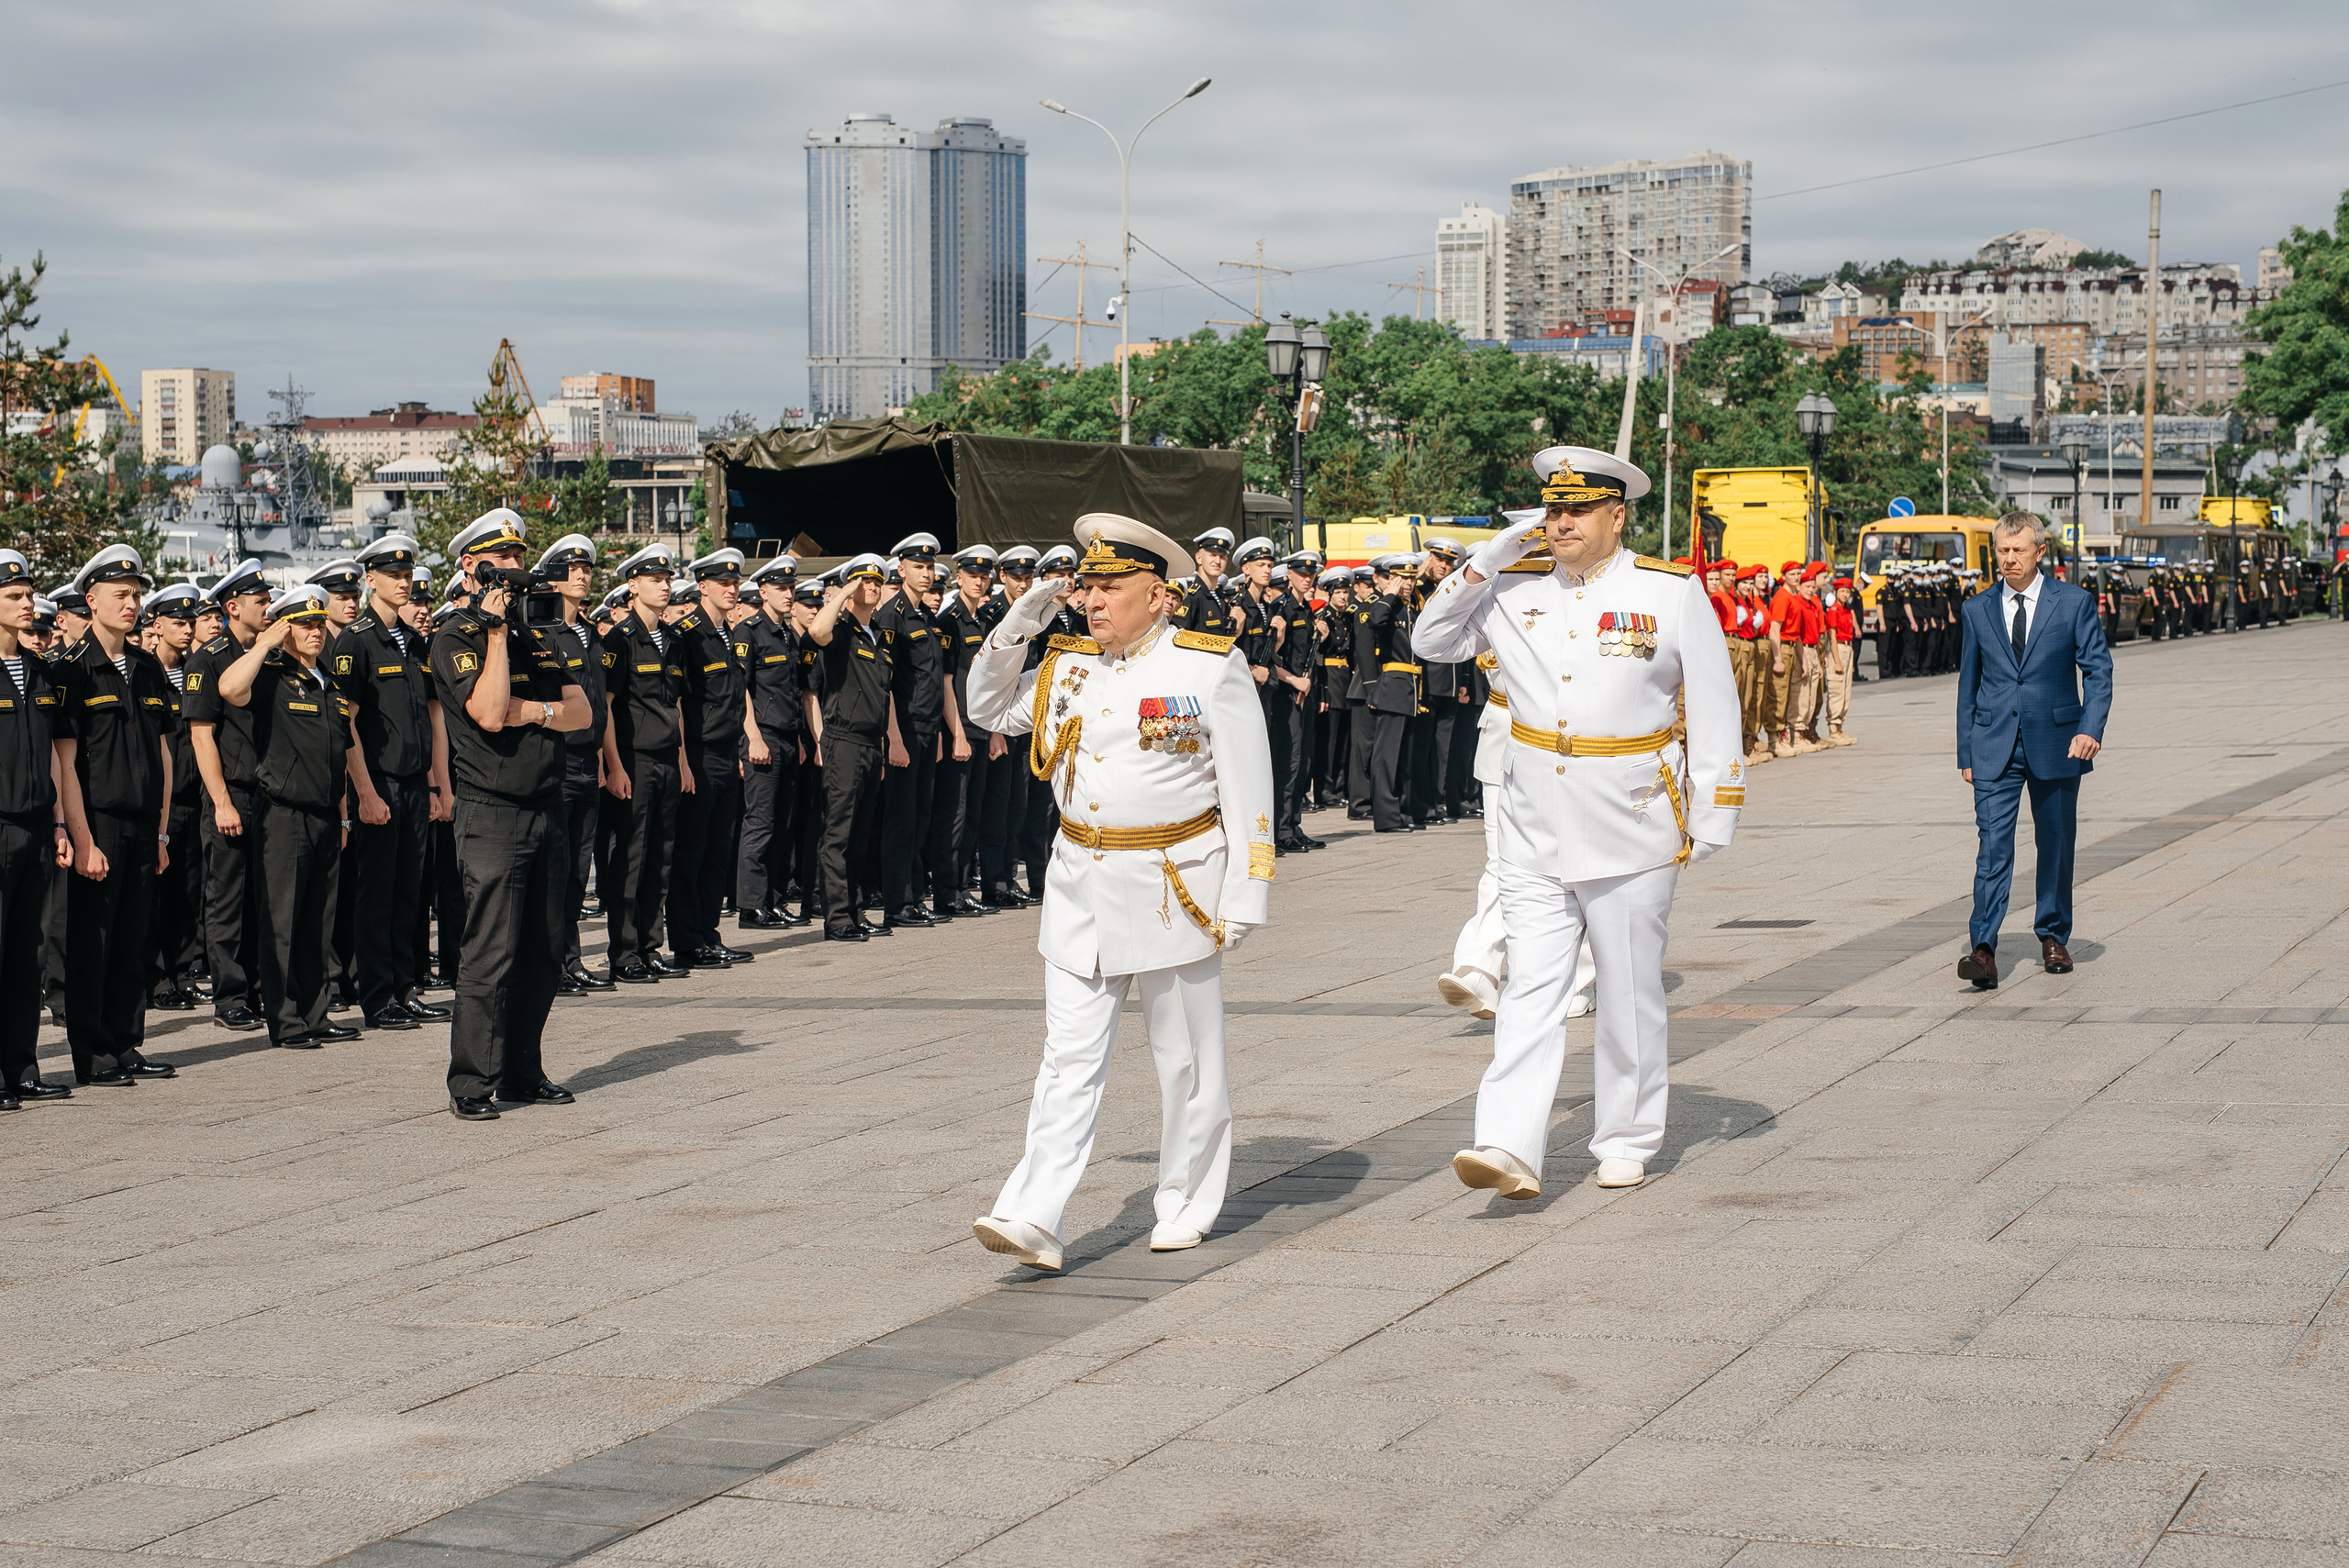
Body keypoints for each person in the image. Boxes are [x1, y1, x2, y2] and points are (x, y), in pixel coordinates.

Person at [1414, 446, 1742, 1195]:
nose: (1559, 521)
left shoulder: (1668, 590)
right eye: (1550, 509)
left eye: (1577, 509)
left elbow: (1716, 703)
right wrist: (1489, 557)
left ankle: (1626, 1134)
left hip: (1632, 812)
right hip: (1535, 816)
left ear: (1616, 515)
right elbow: (1431, 642)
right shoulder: (1512, 590)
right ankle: (1507, 1142)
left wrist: (1714, 808)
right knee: (1533, 983)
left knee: (1628, 987)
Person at [966, 512, 1275, 1270]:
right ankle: (1034, 1211)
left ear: (1159, 595)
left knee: (1188, 1059)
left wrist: (1247, 891)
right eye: (1089, 588)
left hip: (1176, 882)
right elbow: (988, 707)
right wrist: (1029, 612)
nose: (1094, 602)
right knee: (1067, 1058)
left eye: (1112, 588)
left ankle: (1187, 1199)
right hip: (1081, 884)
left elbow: (1247, 788)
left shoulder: (1208, 667)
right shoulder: (1069, 664)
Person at [429, 510, 592, 1119]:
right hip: (492, 812)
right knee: (490, 952)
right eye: (503, 561)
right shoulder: (456, 637)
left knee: (543, 950)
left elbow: (581, 714)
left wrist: (536, 711)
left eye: (521, 558)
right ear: (472, 567)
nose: (516, 571)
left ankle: (524, 1071)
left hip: (546, 805)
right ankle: (473, 1081)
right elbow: (492, 713)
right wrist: (496, 633)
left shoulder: (540, 636)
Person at [1955, 512, 2112, 989]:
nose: (2008, 559)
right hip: (1993, 745)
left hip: (2060, 744)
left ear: (2039, 552)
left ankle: (2053, 935)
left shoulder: (2073, 603)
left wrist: (2091, 729)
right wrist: (1966, 752)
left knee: (2056, 845)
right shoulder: (1977, 609)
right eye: (2002, 550)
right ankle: (1982, 948)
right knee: (1993, 849)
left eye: (2018, 550)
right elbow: (1969, 684)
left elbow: (2099, 672)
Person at [50, 545, 182, 1088]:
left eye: (136, 595)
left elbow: (163, 754)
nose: (132, 604)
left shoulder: (149, 668)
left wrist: (160, 830)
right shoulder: (72, 671)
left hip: (142, 821)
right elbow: (67, 763)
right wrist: (82, 839)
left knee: (133, 940)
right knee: (93, 942)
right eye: (120, 595)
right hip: (97, 822)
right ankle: (93, 1051)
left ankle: (127, 1043)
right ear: (92, 599)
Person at [215, 585, 362, 1048]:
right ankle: (285, 1020)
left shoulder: (331, 685)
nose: (316, 632)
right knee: (282, 921)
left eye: (320, 624)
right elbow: (229, 689)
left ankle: (316, 1014)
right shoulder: (271, 676)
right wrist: (263, 645)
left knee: (318, 922)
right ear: (285, 629)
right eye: (304, 625)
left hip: (324, 814)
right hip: (282, 814)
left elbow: (338, 755)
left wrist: (341, 815)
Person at [333, 533, 455, 1029]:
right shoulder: (356, 640)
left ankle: (406, 986)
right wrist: (363, 791)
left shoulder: (417, 643)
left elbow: (430, 720)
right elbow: (347, 724)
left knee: (410, 894)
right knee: (376, 894)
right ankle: (377, 994)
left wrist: (436, 785)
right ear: (371, 581)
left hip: (412, 783)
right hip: (377, 783)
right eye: (394, 576)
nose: (405, 583)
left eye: (408, 575)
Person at [183, 559, 274, 1031]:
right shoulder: (208, 658)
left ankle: (260, 990)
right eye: (260, 602)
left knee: (262, 900)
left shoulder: (266, 654)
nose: (268, 607)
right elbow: (202, 736)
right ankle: (231, 997)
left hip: (268, 792)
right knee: (227, 899)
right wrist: (219, 801)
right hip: (232, 793)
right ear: (232, 607)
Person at [600, 542, 694, 981]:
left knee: (661, 855)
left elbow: (674, 706)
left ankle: (651, 948)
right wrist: (613, 765)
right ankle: (623, 953)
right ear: (632, 586)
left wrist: (684, 762)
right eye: (655, 580)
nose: (664, 586)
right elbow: (606, 705)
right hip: (634, 760)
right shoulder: (620, 639)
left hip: (667, 760)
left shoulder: (672, 641)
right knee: (631, 858)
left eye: (667, 579)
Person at [0, 552, 72, 1108]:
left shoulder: (41, 671)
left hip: (35, 828)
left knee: (27, 953)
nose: (28, 605)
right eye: (15, 596)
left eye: (29, 595)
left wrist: (58, 824)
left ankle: (22, 1067)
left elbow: (52, 757)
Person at [530, 533, 613, 992]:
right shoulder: (544, 633)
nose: (582, 575)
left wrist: (605, 757)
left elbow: (600, 703)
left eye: (586, 569)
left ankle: (572, 959)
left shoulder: (590, 632)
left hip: (588, 759)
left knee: (579, 869)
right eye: (572, 569)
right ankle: (553, 963)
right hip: (558, 759)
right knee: (556, 868)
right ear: (554, 578)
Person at [669, 549, 755, 968]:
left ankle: (708, 933)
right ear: (702, 586)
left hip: (725, 753)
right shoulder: (688, 634)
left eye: (735, 583)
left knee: (718, 851)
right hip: (699, 755)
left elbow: (734, 700)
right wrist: (683, 760)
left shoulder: (730, 633)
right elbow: (680, 704)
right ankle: (687, 940)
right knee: (693, 852)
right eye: (723, 583)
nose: (731, 589)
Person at [873, 532, 961, 929]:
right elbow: (885, 682)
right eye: (919, 567)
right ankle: (897, 902)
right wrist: (892, 735)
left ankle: (913, 895)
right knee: (900, 818)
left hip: (927, 730)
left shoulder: (926, 617)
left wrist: (941, 732)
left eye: (930, 568)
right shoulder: (890, 616)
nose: (926, 574)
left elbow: (933, 682)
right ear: (901, 569)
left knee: (920, 816)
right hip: (903, 729)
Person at [807, 554, 893, 940]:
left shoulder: (878, 636)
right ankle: (837, 917)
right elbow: (817, 632)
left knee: (861, 833)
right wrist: (842, 593)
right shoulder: (840, 630)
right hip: (842, 740)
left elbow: (884, 696)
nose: (871, 587)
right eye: (863, 581)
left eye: (877, 582)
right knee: (838, 832)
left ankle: (855, 911)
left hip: (871, 744)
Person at [738, 555, 811, 929]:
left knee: (783, 825)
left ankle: (776, 900)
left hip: (787, 737)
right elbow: (743, 690)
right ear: (762, 590)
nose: (788, 594)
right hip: (763, 737)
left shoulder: (787, 635)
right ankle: (751, 906)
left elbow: (793, 692)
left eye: (791, 588)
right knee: (761, 823)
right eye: (781, 588)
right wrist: (752, 737)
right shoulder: (749, 632)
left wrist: (798, 737)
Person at [142, 584, 206, 1011]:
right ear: (157, 625)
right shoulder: (146, 672)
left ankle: (183, 973)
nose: (186, 630)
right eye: (178, 623)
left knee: (188, 893)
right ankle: (158, 977)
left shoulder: (196, 670)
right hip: (162, 802)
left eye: (190, 623)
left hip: (195, 797)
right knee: (156, 897)